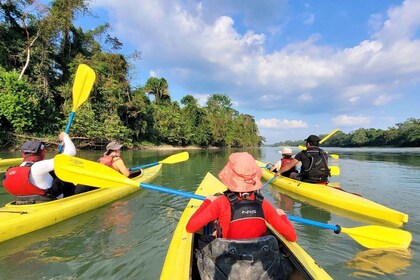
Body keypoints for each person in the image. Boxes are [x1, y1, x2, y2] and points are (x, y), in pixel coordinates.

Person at [186, 152, 296, 241]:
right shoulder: (263, 204)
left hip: (229, 258)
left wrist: (208, 201)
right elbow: (292, 237)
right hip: (256, 258)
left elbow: (190, 227)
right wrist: (282, 216)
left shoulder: (221, 202)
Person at [2, 132, 77, 200]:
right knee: (87, 185)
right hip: (51, 200)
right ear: (42, 153)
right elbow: (71, 152)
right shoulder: (39, 166)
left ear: (23, 154)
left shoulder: (12, 169)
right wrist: (65, 137)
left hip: (25, 200)